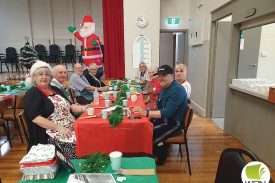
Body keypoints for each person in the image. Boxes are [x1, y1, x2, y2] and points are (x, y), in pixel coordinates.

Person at [23, 61, 88, 159]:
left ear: (51, 77)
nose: (44, 77)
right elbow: (36, 118)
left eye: (47, 74)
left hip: (71, 127)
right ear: (34, 77)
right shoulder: (32, 93)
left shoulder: (55, 89)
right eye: (40, 74)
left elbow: (70, 106)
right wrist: (59, 128)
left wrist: (84, 108)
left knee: (90, 137)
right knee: (82, 149)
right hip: (52, 133)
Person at [133, 65, 188, 165]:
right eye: (159, 76)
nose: (160, 78)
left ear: (171, 76)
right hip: (164, 119)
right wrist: (150, 115)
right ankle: (159, 147)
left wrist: (148, 113)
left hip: (174, 124)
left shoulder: (177, 90)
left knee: (148, 133)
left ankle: (161, 151)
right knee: (143, 127)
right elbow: (159, 106)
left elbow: (168, 112)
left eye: (164, 75)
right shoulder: (164, 88)